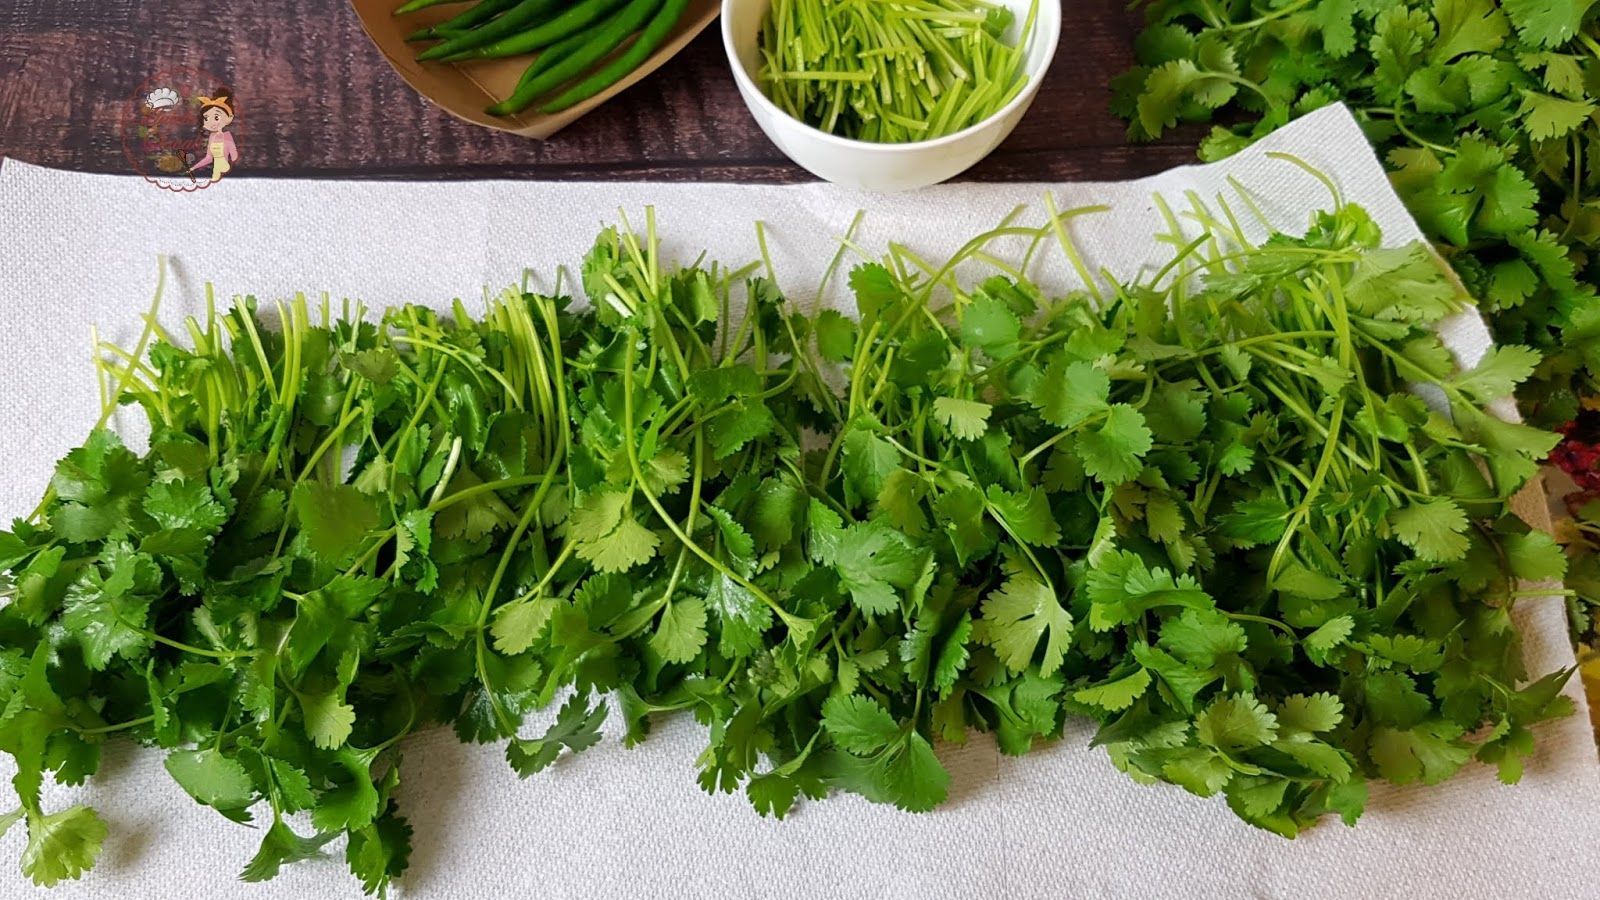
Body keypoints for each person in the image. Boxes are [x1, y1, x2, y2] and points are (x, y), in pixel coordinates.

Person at [188, 92, 239, 182]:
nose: (212, 123)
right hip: (216, 171)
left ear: (229, 118)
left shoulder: (227, 136)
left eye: (216, 117)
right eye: (207, 119)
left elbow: (234, 156)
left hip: (226, 171)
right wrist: (193, 168)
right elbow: (208, 158)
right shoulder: (212, 137)